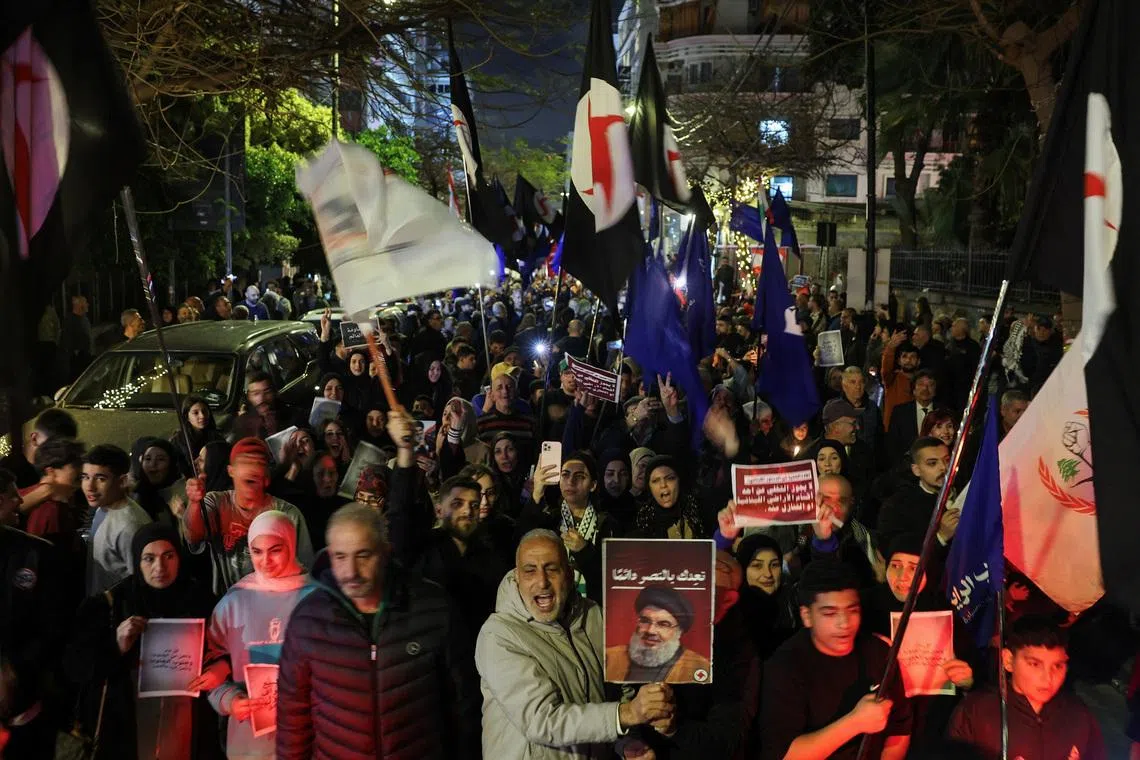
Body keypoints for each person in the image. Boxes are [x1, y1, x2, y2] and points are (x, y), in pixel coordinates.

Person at [276, 503, 482, 758]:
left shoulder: (432, 608)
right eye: (340, 557)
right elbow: (293, 717)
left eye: (363, 555)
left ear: (385, 552)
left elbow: (463, 706)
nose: (351, 571)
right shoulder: (307, 620)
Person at [476, 529, 676, 759]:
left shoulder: (593, 615)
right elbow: (541, 720)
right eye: (530, 571)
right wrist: (626, 714)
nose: (542, 582)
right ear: (517, 577)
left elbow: (616, 691)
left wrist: (626, 741)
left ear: (570, 575)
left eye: (552, 569)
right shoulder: (498, 635)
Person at [64, 524, 219, 760]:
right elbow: (74, 667)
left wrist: (217, 669)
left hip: (185, 723)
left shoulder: (201, 600)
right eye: (149, 558)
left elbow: (221, 651)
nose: (160, 567)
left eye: (168, 556)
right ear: (137, 560)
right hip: (129, 724)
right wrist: (115, 645)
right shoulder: (111, 605)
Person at [759, 559, 911, 759]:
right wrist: (855, 722)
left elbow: (899, 731)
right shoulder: (785, 667)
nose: (844, 623)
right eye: (830, 613)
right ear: (807, 616)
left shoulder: (878, 652)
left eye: (852, 610)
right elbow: (785, 755)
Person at [200, 511, 313, 759]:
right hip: (251, 740)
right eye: (256, 551)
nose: (265, 561)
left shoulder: (316, 598)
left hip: (306, 735)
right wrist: (230, 699)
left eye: (275, 550)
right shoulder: (235, 602)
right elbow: (209, 664)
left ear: (291, 545)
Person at [949, 616, 1105, 759]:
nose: (1048, 678)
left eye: (1058, 666)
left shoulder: (1078, 715)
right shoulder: (977, 711)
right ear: (1009, 661)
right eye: (1035, 664)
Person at [181, 437, 314, 594]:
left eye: (259, 463)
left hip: (277, 600)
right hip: (230, 603)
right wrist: (195, 503)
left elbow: (306, 573)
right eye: (245, 462)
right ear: (231, 471)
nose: (252, 468)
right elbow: (194, 535)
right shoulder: (217, 502)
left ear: (266, 477)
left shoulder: (288, 515)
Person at [0, 468, 66, 758]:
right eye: (10, 495)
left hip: (28, 708)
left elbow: (55, 628)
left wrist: (13, 669)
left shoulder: (37, 555)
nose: (19, 500)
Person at [523, 450, 620, 603]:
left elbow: (615, 578)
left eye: (580, 477)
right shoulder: (549, 519)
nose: (571, 482)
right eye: (565, 475)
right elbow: (521, 545)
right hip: (551, 603)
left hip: (594, 607)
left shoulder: (608, 524)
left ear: (593, 485)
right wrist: (536, 494)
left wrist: (585, 552)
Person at [83, 444, 153, 595]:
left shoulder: (130, 526)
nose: (90, 486)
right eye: (85, 477)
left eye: (100, 478)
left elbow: (143, 582)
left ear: (121, 481)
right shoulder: (103, 507)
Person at [605, 585, 712, 683]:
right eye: (645, 620)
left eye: (663, 624)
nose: (650, 630)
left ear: (679, 631)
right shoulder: (609, 658)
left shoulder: (699, 666)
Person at [876, 437, 955, 556]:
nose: (943, 467)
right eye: (932, 463)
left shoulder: (970, 493)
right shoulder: (898, 506)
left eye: (947, 460)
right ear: (916, 470)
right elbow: (894, 552)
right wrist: (940, 537)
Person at [734, 533, 798, 660]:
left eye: (774, 565)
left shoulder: (793, 601)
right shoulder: (733, 616)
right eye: (757, 566)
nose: (768, 574)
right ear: (743, 568)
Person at [886, 369, 938, 464]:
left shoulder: (943, 412)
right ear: (913, 390)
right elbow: (892, 446)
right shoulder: (900, 412)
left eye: (930, 385)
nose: (925, 389)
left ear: (935, 390)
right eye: (921, 384)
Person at [171, 394, 225, 477]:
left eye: (204, 411)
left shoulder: (217, 437)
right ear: (187, 417)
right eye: (195, 413)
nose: (202, 416)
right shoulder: (178, 440)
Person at [880, 332, 920, 429]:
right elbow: (886, 368)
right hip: (893, 429)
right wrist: (890, 347)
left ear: (919, 361)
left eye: (912, 357)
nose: (908, 360)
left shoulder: (922, 381)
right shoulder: (892, 378)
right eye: (904, 356)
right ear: (898, 361)